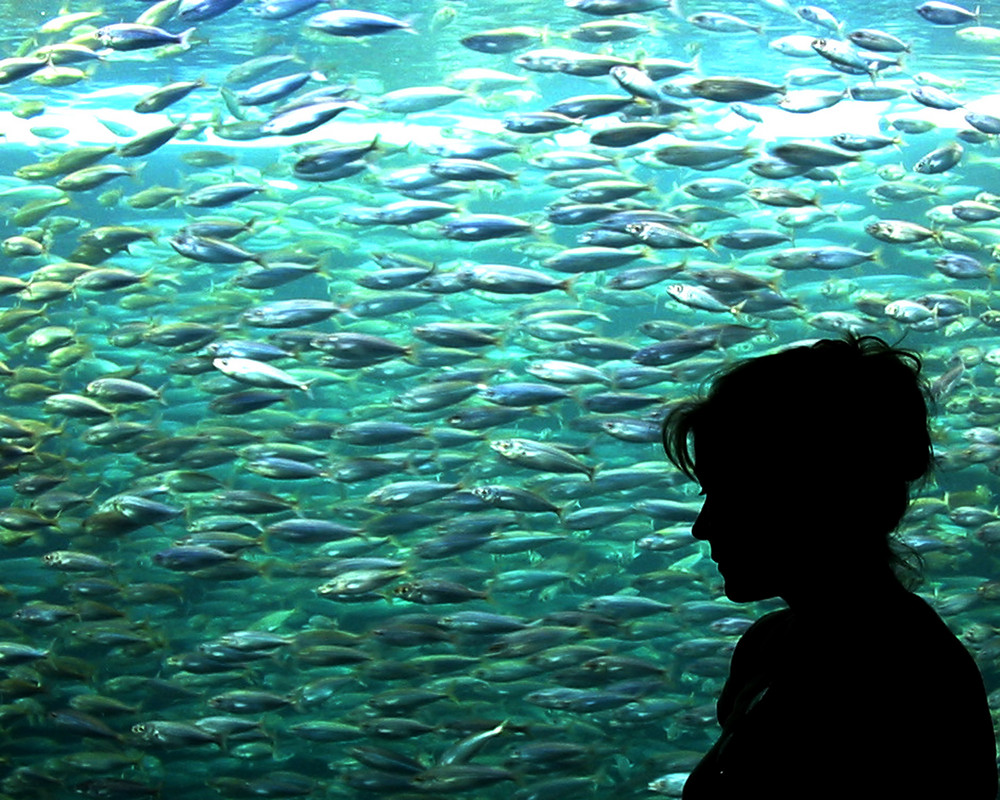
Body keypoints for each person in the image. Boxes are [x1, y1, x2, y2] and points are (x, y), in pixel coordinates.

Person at [662, 335, 998, 800]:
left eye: (730, 496)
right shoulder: (768, 645)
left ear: (814, 495)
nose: (703, 527)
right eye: (707, 496)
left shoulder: (906, 679)